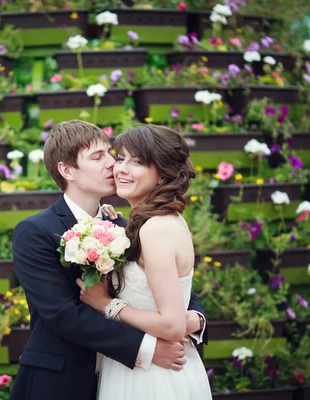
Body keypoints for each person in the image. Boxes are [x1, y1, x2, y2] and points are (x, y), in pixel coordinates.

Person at [10, 120, 207, 400]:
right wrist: (147, 348)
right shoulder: (35, 231)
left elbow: (168, 287)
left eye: (110, 154)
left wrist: (196, 319)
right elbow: (63, 314)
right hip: (62, 382)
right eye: (97, 157)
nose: (112, 165)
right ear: (67, 170)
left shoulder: (127, 226)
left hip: (126, 381)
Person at [77, 124, 213, 399]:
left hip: (154, 379)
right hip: (139, 367)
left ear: (162, 173)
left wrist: (106, 304)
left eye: (137, 162)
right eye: (121, 157)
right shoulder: (153, 223)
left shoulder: (156, 229)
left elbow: (173, 325)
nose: (121, 168)